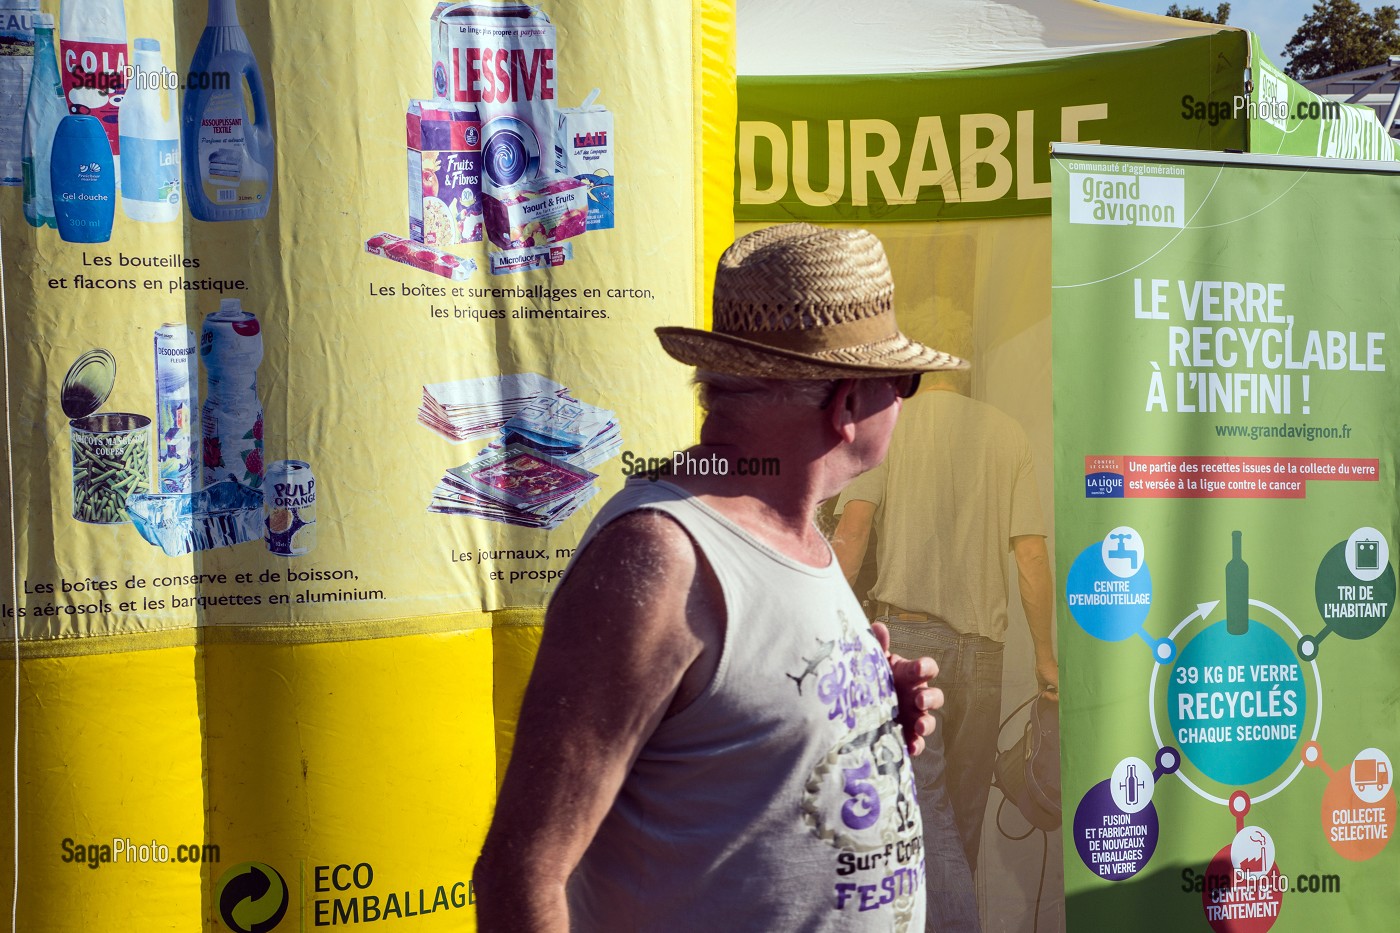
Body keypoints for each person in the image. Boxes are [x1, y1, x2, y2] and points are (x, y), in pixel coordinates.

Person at [473, 223, 969, 932]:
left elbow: (730, 737)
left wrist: (857, 715)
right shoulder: (659, 553)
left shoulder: (791, 533)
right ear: (848, 404)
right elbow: (522, 874)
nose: (906, 400)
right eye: (905, 381)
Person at [831, 379, 1058, 933]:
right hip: (984, 654)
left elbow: (853, 532)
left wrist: (830, 630)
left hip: (910, 646)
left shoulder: (890, 423)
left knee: (925, 818)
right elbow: (1031, 556)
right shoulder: (1007, 435)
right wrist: (1045, 658)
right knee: (963, 821)